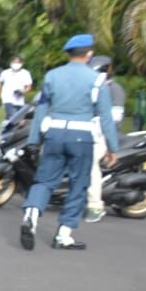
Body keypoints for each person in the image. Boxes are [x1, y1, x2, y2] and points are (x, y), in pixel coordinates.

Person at [19, 34, 119, 251]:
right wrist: (113, 147)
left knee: (44, 181)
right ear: (89, 54)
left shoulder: (52, 76)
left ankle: (31, 215)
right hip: (81, 137)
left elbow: (41, 110)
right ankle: (64, 235)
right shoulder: (97, 80)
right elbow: (106, 117)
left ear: (68, 54)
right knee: (78, 183)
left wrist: (35, 139)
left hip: (55, 134)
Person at [84, 55, 124, 223]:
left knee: (90, 164)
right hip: (84, 133)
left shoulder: (114, 89)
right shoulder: (90, 85)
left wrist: (110, 144)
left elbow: (114, 119)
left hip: (101, 135)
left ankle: (95, 205)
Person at [0, 56, 33, 120]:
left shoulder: (25, 73)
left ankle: (6, 126)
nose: (16, 64)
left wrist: (23, 91)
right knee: (12, 115)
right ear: (11, 63)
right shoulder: (5, 72)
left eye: (18, 63)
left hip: (19, 99)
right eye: (14, 62)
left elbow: (29, 86)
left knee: (17, 118)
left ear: (22, 63)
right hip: (7, 98)